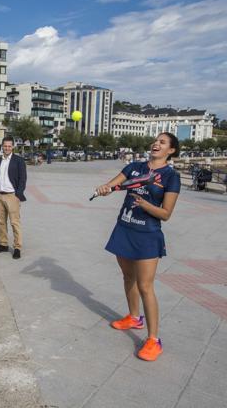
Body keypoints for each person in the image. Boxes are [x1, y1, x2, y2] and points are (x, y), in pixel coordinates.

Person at [95, 132, 181, 362]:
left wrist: (144, 204)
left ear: (171, 150)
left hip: (147, 235)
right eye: (156, 140)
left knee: (145, 286)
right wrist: (104, 188)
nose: (156, 143)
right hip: (124, 228)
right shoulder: (134, 167)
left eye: (162, 142)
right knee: (127, 277)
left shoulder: (171, 176)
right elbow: (113, 184)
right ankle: (134, 317)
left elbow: (166, 214)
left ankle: (154, 339)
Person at [0, 136, 27, 259]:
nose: (7, 148)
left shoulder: (19, 160)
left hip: (12, 196)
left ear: (13, 147)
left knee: (14, 222)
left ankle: (17, 247)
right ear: (2, 146)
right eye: (5, 146)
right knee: (1, 222)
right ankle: (3, 244)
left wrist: (18, 194)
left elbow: (23, 179)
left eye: (9, 146)